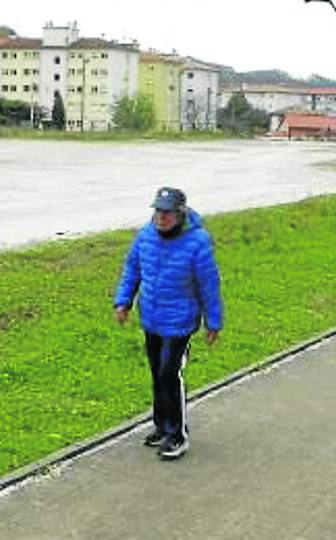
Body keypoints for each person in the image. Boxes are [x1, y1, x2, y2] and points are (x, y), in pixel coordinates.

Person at [113, 187, 223, 460]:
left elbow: (209, 285)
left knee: (169, 374)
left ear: (180, 213)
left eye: (167, 213)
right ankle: (161, 426)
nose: (161, 218)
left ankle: (177, 435)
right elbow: (132, 269)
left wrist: (214, 322)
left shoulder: (197, 242)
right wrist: (123, 301)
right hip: (151, 317)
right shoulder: (145, 235)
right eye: (158, 211)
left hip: (180, 321)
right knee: (156, 373)